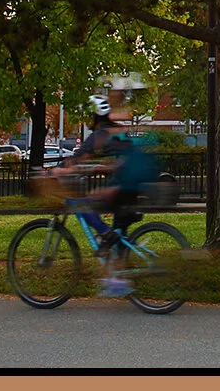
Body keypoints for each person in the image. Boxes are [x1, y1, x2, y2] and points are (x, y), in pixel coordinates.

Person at [56, 94, 156, 297]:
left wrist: (54, 171)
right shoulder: (115, 131)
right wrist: (100, 167)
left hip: (126, 183)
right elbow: (118, 160)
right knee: (118, 227)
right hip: (135, 182)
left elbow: (76, 160)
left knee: (82, 202)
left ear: (94, 117)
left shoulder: (100, 135)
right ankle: (117, 279)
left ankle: (105, 236)